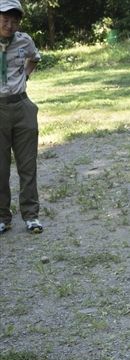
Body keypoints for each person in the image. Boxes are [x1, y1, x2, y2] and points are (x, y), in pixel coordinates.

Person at [0, 0, 42, 234]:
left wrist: (24, 76)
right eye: (5, 19)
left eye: (14, 20)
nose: (10, 24)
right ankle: (2, 216)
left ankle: (31, 215)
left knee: (27, 164)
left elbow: (34, 58)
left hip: (22, 104)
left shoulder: (24, 40)